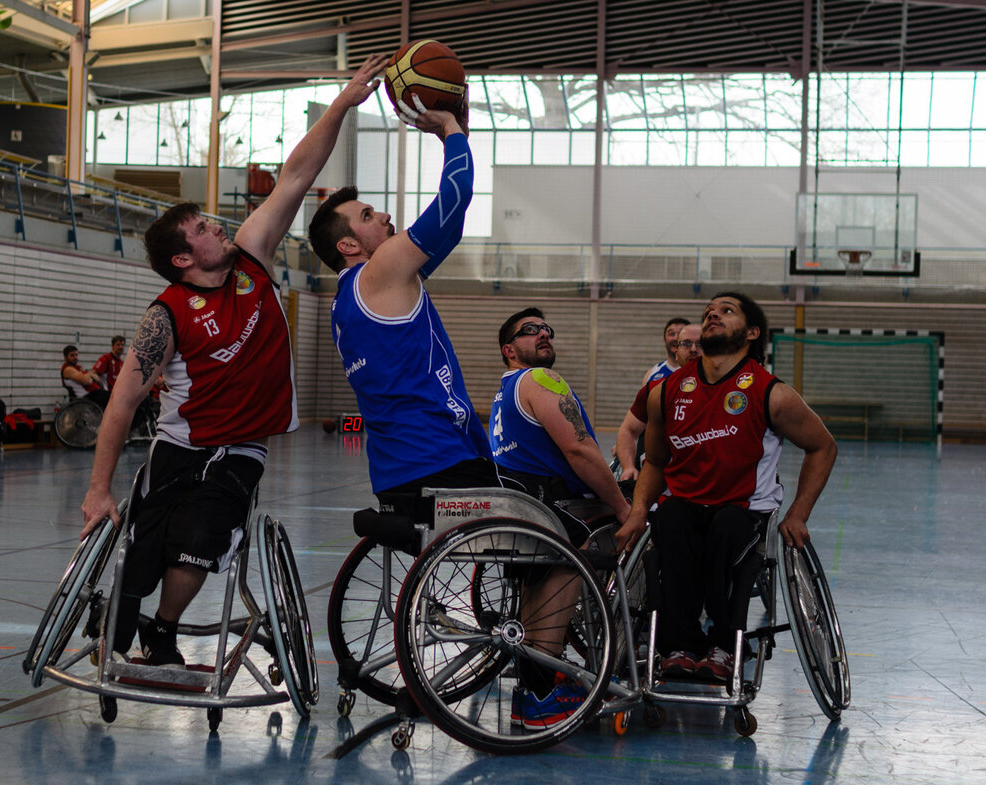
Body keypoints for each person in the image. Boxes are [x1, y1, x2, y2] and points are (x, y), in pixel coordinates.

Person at [79, 53, 389, 667]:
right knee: (145, 550)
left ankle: (164, 632)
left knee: (198, 541)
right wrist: (96, 490)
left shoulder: (252, 258)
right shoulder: (166, 315)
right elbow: (122, 403)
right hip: (179, 445)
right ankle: (118, 618)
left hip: (241, 449)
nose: (216, 227)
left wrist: (343, 102)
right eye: (201, 229)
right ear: (182, 260)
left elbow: (296, 174)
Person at [616, 292, 837, 684]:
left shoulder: (772, 393)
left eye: (726, 310)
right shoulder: (665, 392)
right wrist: (636, 512)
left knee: (727, 528)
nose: (713, 314)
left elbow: (823, 447)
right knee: (670, 519)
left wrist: (798, 514)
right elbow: (658, 463)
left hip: (744, 510)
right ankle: (679, 646)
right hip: (686, 505)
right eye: (709, 311)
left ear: (752, 332)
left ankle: (724, 644)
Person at [308, 92, 500, 511]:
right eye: (367, 216)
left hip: (395, 475)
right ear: (348, 245)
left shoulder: (349, 300)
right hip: (440, 461)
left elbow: (449, 229)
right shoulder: (380, 271)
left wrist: (456, 138)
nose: (384, 217)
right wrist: (449, 129)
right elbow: (455, 198)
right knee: (554, 531)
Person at [490, 307, 631, 727]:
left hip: (522, 503)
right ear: (509, 349)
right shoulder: (540, 379)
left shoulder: (505, 390)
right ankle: (541, 695)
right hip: (548, 503)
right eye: (530, 330)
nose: (543, 334)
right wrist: (622, 507)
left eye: (547, 329)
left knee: (540, 580)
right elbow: (580, 449)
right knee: (580, 548)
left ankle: (535, 686)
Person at [614, 323, 702, 480]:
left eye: (701, 344)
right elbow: (629, 429)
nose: (694, 349)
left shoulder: (725, 389)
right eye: (687, 343)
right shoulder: (655, 386)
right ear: (676, 351)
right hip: (660, 470)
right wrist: (628, 466)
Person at [641, 316, 690, 386]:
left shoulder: (700, 371)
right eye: (671, 334)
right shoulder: (652, 373)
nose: (676, 338)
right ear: (664, 340)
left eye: (681, 334)